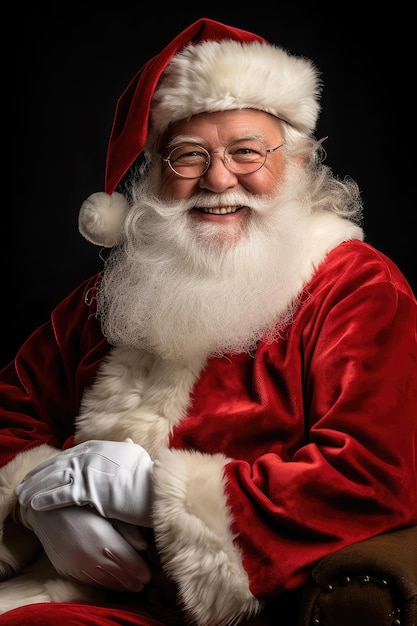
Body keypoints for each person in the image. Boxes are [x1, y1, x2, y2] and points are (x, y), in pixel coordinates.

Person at [0, 16, 416, 626]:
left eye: (247, 152)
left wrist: (150, 496)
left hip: (216, 610)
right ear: (156, 177)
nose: (219, 179)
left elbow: (372, 474)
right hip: (58, 584)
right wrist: (38, 496)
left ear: (296, 163)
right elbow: (12, 407)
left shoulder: (356, 289)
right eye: (189, 156)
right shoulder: (108, 296)